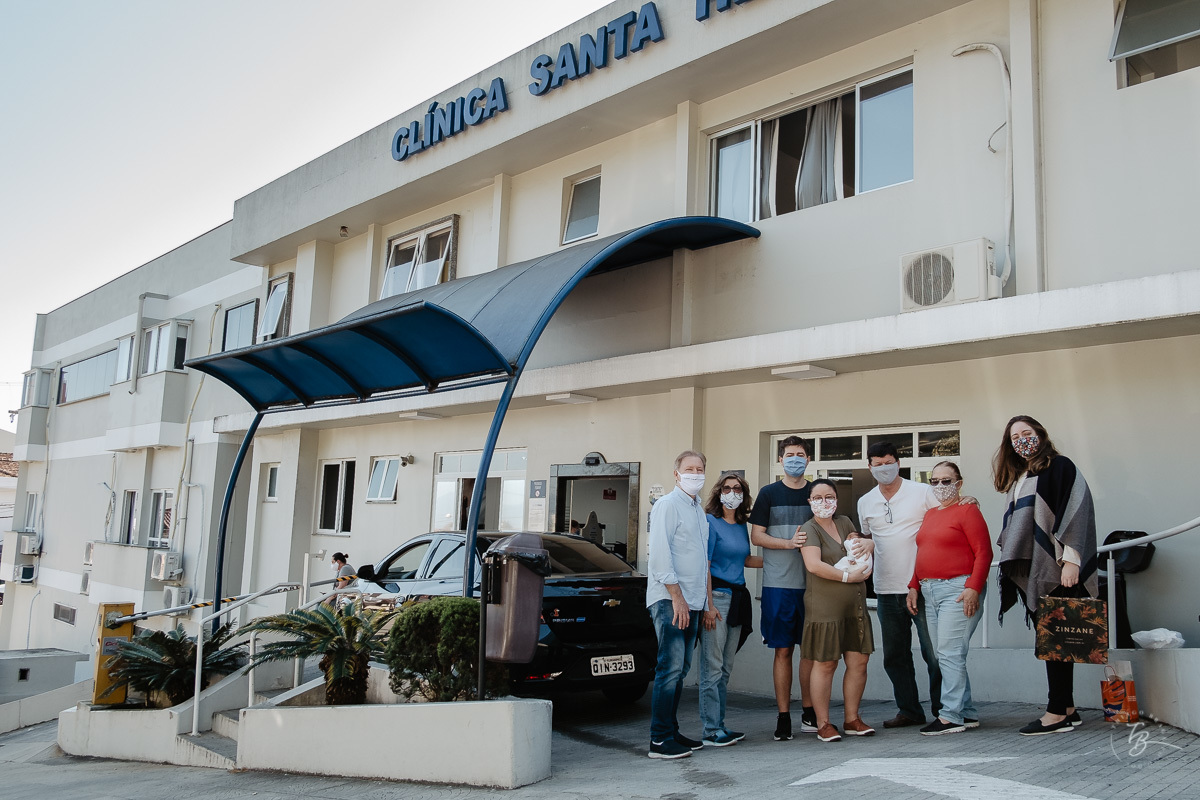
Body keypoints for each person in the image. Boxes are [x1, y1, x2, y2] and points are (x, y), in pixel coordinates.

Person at [994, 415, 1098, 736]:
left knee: (1055, 639)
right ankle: (1067, 708)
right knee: (1056, 639)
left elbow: (1077, 510)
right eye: (1015, 437)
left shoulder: (1059, 466)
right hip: (1039, 569)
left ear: (1040, 434)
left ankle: (1055, 713)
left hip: (1058, 567)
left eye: (1027, 433)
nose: (1022, 440)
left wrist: (1072, 560)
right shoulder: (1023, 476)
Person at [856, 440, 943, 728]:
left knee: (935, 654)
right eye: (877, 464)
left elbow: (946, 522)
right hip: (885, 590)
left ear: (898, 463)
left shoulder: (923, 492)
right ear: (869, 467)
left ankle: (945, 710)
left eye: (888, 462)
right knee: (895, 655)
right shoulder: (865, 501)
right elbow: (868, 539)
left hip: (923, 586)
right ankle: (909, 710)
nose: (884, 468)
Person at [906, 461, 993, 735]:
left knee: (950, 653)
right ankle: (965, 712)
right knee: (943, 654)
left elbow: (984, 553)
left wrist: (973, 587)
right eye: (935, 481)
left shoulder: (968, 510)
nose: (941, 486)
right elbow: (922, 553)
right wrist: (913, 585)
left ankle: (950, 715)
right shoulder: (931, 514)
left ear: (959, 483)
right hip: (928, 590)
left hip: (958, 589)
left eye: (947, 481)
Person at [798, 479, 875, 742]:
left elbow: (859, 548)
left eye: (829, 496)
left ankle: (852, 719)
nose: (824, 502)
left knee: (859, 661)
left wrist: (869, 549)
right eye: (817, 498)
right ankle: (823, 723)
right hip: (824, 608)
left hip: (854, 606)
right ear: (809, 502)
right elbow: (814, 565)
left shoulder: (845, 523)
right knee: (826, 663)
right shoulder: (809, 529)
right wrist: (846, 578)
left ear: (836, 499)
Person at [646, 450, 710, 759]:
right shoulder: (667, 505)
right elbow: (659, 556)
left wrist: (703, 603)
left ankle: (671, 732)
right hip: (671, 599)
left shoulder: (698, 510)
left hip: (692, 601)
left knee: (681, 669)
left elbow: (701, 562)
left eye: (700, 469)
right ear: (676, 474)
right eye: (689, 469)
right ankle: (658, 739)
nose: (695, 473)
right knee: (669, 668)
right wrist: (677, 598)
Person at [749, 435, 814, 740]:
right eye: (790, 454)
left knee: (811, 652)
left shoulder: (817, 493)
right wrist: (788, 544)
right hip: (779, 585)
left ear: (808, 460)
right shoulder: (768, 494)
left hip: (814, 585)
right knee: (784, 651)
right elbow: (757, 537)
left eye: (800, 454)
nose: (795, 459)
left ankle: (811, 713)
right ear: (780, 460)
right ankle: (784, 716)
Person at [699, 471, 763, 747]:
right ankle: (711, 729)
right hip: (718, 599)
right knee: (712, 668)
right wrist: (708, 606)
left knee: (725, 668)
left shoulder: (740, 525)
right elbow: (704, 564)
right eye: (727, 487)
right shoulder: (710, 522)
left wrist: (784, 556)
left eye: (738, 488)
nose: (732, 492)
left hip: (738, 599)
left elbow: (746, 559)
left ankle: (720, 725)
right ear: (719, 491)